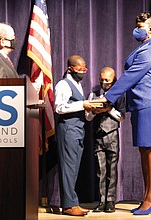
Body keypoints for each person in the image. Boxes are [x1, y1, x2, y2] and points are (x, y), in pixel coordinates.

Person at [94, 12, 151, 215]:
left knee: (148, 151)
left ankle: (149, 199)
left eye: (142, 25)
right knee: (145, 152)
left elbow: (131, 76)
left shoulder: (149, 49)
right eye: (137, 24)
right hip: (140, 105)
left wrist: (107, 97)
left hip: (146, 104)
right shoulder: (143, 47)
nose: (138, 28)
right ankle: (147, 197)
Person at [54, 55, 96, 216]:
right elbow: (59, 107)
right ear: (70, 68)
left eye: (85, 69)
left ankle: (73, 202)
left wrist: (91, 110)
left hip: (78, 130)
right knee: (68, 168)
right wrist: (82, 104)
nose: (83, 72)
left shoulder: (78, 85)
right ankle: (68, 205)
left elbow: (82, 112)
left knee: (74, 168)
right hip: (68, 130)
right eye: (80, 69)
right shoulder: (63, 84)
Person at [87, 67, 126, 213]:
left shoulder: (119, 94)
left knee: (112, 170)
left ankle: (110, 201)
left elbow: (122, 117)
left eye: (107, 80)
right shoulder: (93, 94)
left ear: (114, 79)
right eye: (101, 80)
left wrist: (108, 109)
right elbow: (87, 117)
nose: (104, 83)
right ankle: (101, 200)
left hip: (112, 136)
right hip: (98, 136)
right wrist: (94, 111)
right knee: (100, 170)